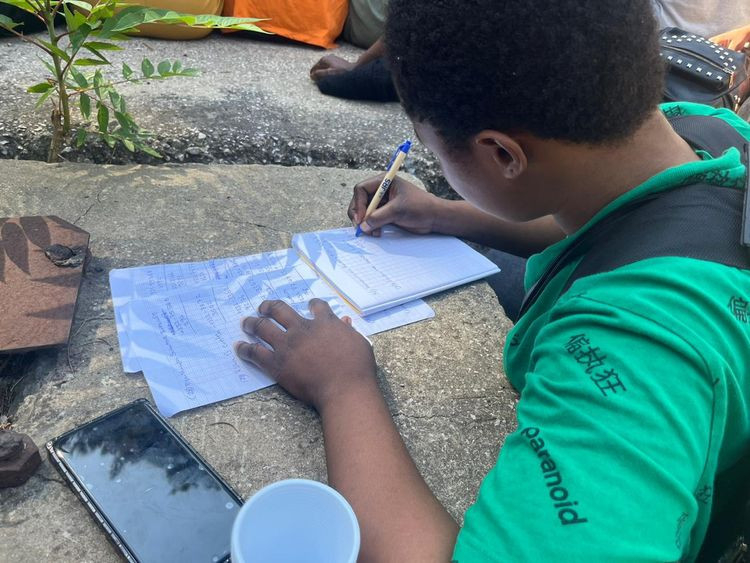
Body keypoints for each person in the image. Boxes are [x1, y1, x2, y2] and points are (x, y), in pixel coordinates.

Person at [235, 0, 750, 560]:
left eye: (432, 151)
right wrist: (442, 213)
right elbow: (602, 216)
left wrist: (342, 386)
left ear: (503, 153)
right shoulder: (705, 129)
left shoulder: (636, 350)